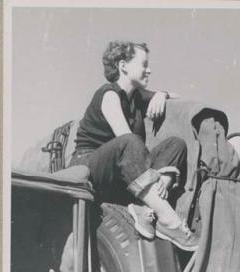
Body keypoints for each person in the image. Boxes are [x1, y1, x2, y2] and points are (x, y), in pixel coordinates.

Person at [69, 41, 196, 251]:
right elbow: (125, 140)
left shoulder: (136, 96)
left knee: (176, 144)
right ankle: (168, 220)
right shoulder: (108, 95)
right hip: (91, 165)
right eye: (144, 64)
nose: (149, 69)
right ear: (123, 66)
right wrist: (155, 176)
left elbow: (175, 96)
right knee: (129, 142)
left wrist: (161, 94)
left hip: (122, 171)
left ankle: (148, 205)